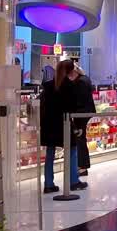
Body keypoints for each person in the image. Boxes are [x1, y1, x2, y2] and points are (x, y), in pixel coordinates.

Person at [39, 58, 84, 193]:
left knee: (50, 153)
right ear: (71, 71)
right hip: (64, 123)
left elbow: (43, 105)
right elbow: (73, 107)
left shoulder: (48, 86)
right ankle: (73, 180)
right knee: (72, 150)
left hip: (49, 124)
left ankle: (48, 183)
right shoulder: (70, 86)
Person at [72, 64, 97, 182]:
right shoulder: (85, 79)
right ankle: (82, 166)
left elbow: (79, 100)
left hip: (81, 114)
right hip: (85, 113)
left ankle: (82, 167)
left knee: (80, 139)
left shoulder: (80, 82)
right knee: (81, 138)